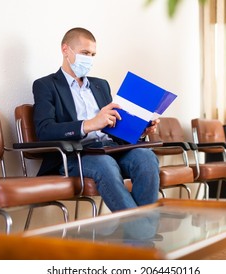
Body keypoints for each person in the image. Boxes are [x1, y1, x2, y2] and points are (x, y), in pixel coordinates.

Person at [32, 27, 160, 212]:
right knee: (105, 164)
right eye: (85, 53)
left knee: (146, 158)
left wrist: (140, 131)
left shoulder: (101, 85)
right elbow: (44, 130)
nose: (89, 59)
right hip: (77, 154)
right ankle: (141, 234)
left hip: (110, 148)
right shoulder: (46, 85)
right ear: (65, 49)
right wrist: (89, 125)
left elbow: (114, 127)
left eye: (92, 54)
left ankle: (138, 235)